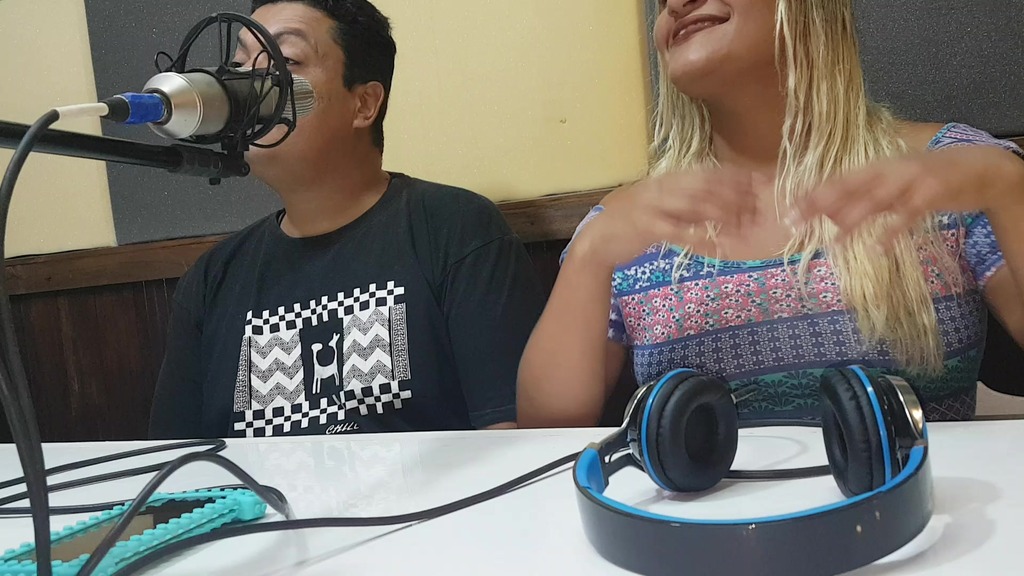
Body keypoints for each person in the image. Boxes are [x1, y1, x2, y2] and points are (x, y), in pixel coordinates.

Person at [517, 0, 1024, 427]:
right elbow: (545, 433)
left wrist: (1006, 189)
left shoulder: (951, 169)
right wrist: (588, 256)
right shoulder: (631, 220)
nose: (675, 3)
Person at [149, 0, 546, 439]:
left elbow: (511, 436)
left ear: (364, 105)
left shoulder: (457, 230)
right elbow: (175, 459)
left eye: (286, 60)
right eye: (240, 64)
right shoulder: (213, 279)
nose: (247, 85)